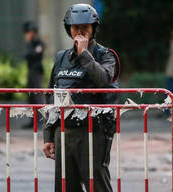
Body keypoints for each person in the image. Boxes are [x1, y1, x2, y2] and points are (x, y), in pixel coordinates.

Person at [43, 4, 116, 192]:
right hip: (64, 132)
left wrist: (84, 54)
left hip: (93, 131)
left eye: (85, 27)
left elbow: (103, 81)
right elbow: (51, 95)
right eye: (75, 27)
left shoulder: (105, 55)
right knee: (66, 187)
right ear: (69, 29)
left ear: (93, 28)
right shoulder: (61, 58)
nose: (80, 31)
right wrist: (48, 135)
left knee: (96, 184)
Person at [22, 21, 45, 128]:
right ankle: (32, 121)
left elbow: (34, 54)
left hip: (37, 72)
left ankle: (41, 120)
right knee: (30, 96)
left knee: (37, 95)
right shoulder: (30, 43)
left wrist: (32, 51)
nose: (28, 34)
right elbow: (27, 55)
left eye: (30, 32)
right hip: (30, 71)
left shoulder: (38, 43)